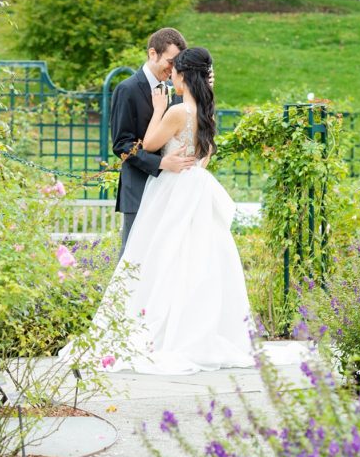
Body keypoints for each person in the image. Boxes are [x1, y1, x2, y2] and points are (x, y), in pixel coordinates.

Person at [82, 46, 254, 374]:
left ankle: (163, 333)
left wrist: (160, 108)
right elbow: (206, 154)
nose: (171, 75)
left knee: (158, 256)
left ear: (184, 76)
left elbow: (147, 144)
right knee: (193, 260)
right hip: (196, 186)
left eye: (176, 71)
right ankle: (191, 328)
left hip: (173, 188)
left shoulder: (177, 111)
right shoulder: (207, 112)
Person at [110, 27, 194, 255]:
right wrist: (160, 163)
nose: (173, 68)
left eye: (177, 63)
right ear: (152, 53)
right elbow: (122, 145)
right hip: (138, 188)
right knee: (132, 257)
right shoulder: (126, 89)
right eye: (170, 61)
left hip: (170, 190)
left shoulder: (176, 91)